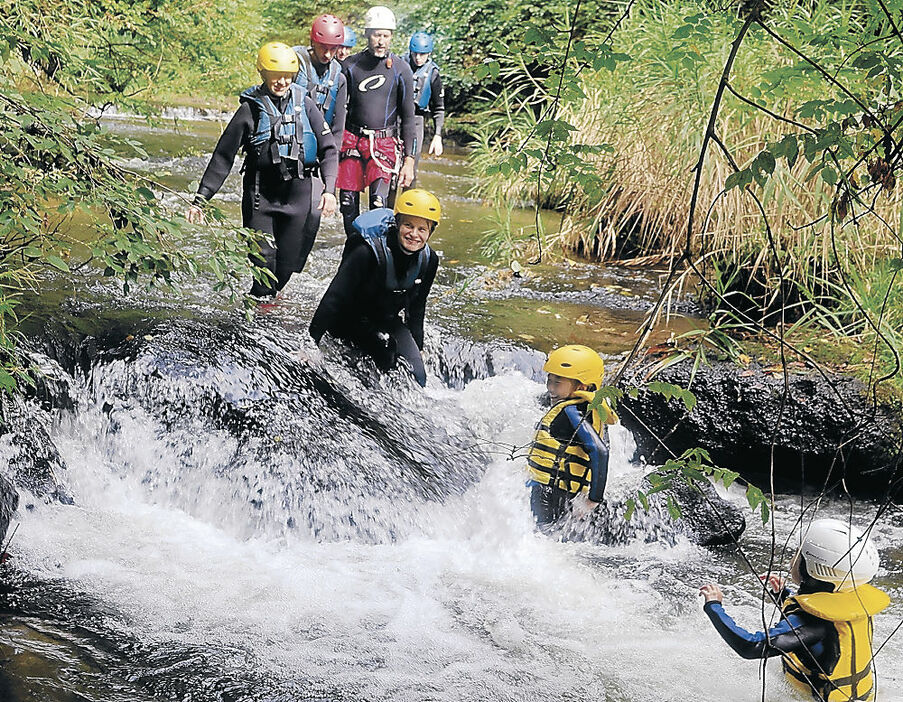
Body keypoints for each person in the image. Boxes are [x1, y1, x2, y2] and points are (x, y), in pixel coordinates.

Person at [187, 42, 338, 297]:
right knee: (264, 264)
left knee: (286, 267)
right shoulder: (249, 111)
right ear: (263, 75)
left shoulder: (307, 105)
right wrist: (200, 199)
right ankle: (260, 314)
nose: (281, 82)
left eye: (287, 77)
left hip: (298, 199)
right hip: (261, 201)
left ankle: (268, 309)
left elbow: (329, 150)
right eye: (275, 76)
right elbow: (223, 157)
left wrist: (330, 190)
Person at [700, 518, 890, 702]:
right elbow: (817, 618)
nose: (792, 560)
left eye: (798, 556)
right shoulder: (853, 601)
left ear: (813, 570)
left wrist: (714, 606)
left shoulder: (809, 625)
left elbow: (752, 646)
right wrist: (783, 595)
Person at [309, 188, 440, 387]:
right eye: (408, 225)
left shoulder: (428, 261)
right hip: (348, 318)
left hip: (387, 319)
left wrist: (419, 347)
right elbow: (334, 297)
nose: (414, 234)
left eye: (422, 229)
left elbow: (417, 307)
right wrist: (311, 344)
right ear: (397, 224)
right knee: (385, 354)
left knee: (418, 377)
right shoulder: (366, 251)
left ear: (430, 232)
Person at [337, 5, 416, 236]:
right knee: (348, 203)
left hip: (384, 144)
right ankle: (353, 252)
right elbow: (336, 111)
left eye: (385, 35)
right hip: (351, 140)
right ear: (367, 34)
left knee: (379, 204)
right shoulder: (350, 66)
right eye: (376, 35)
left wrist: (409, 161)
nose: (381, 41)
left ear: (391, 36)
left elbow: (408, 118)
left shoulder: (401, 70)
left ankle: (378, 258)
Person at [526, 345, 617, 526]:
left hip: (550, 492)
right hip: (560, 491)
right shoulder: (584, 411)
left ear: (582, 386)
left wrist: (593, 499)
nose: (550, 388)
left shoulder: (572, 412)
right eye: (549, 381)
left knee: (542, 535)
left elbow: (600, 451)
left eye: (557, 383)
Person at [405, 32, 445, 185]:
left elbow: (439, 108)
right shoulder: (401, 65)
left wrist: (438, 135)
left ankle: (406, 207)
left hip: (417, 121)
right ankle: (386, 208)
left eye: (422, 54)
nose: (418, 58)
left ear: (429, 53)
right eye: (415, 54)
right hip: (397, 120)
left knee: (411, 169)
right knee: (392, 171)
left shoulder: (433, 74)